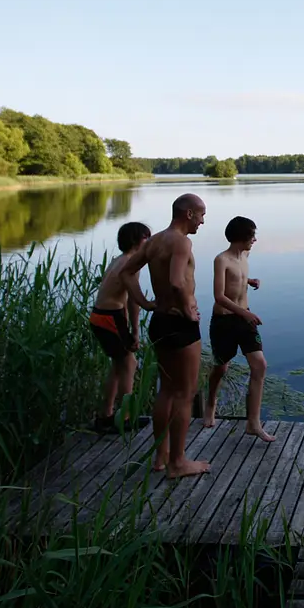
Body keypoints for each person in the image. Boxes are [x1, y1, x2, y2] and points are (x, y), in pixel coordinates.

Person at [119, 194, 210, 478]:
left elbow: (126, 272)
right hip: (179, 323)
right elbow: (176, 281)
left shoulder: (155, 241)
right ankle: (178, 462)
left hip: (159, 321)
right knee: (185, 393)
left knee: (167, 390)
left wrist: (146, 304)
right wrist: (187, 310)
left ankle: (161, 456)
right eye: (201, 215)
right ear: (188, 214)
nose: (203, 221)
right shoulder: (181, 242)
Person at [203, 216, 275, 443]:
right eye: (252, 235)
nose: (255, 239)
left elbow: (238, 280)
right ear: (240, 237)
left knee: (260, 365)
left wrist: (250, 281)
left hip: (245, 319)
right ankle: (211, 402)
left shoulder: (245, 255)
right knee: (221, 368)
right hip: (224, 321)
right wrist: (245, 313)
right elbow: (219, 296)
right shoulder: (221, 259)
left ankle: (253, 423)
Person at [89, 221, 154, 431]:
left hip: (100, 315)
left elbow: (124, 297)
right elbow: (134, 300)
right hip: (110, 317)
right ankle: (125, 418)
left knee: (118, 365)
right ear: (136, 240)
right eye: (146, 237)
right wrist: (135, 331)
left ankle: (105, 415)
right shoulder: (131, 264)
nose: (149, 242)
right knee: (129, 363)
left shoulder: (118, 260)